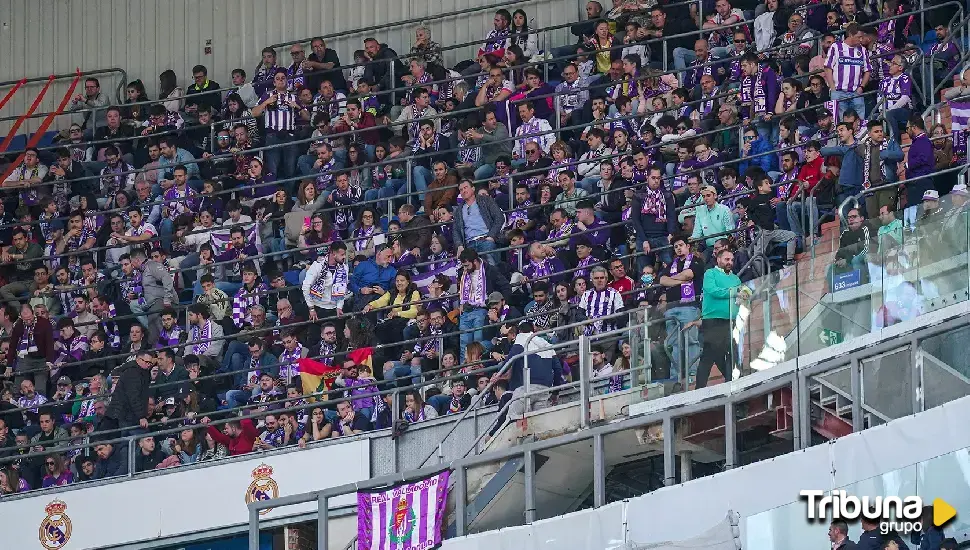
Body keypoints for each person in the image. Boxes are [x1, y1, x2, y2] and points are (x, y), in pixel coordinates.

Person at [659, 235, 704, 383]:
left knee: (691, 341)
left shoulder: (696, 261)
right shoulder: (671, 263)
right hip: (671, 309)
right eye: (676, 246)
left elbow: (689, 274)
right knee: (674, 344)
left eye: (681, 245)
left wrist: (673, 280)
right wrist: (681, 279)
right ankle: (675, 376)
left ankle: (693, 374)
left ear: (687, 246)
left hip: (689, 307)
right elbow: (662, 280)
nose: (678, 248)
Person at [697, 248, 744, 389]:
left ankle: (732, 386)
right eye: (726, 259)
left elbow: (742, 295)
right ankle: (699, 390)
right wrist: (735, 292)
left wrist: (745, 295)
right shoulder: (710, 273)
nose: (730, 262)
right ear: (718, 260)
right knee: (709, 355)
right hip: (713, 320)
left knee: (732, 354)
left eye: (732, 260)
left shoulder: (736, 278)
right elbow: (714, 291)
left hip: (732, 320)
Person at [100, 350, 155, 434]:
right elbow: (134, 396)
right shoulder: (133, 373)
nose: (148, 365)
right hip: (125, 415)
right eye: (146, 362)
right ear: (138, 359)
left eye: (150, 363)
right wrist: (141, 416)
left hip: (126, 415)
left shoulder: (140, 372)